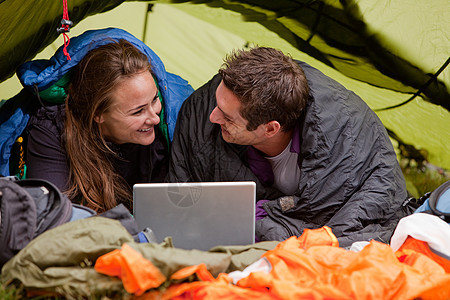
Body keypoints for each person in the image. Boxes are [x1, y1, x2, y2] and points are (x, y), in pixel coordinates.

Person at [168, 46, 409, 247]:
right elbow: (182, 193)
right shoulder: (202, 112)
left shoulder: (345, 137)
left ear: (270, 128)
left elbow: (365, 207)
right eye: (217, 103)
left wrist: (261, 218)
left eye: (228, 118)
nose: (212, 117)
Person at [22, 28, 193, 213]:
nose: (154, 117)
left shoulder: (168, 122)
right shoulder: (53, 130)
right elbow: (54, 217)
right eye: (138, 112)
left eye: (154, 99)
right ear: (98, 115)